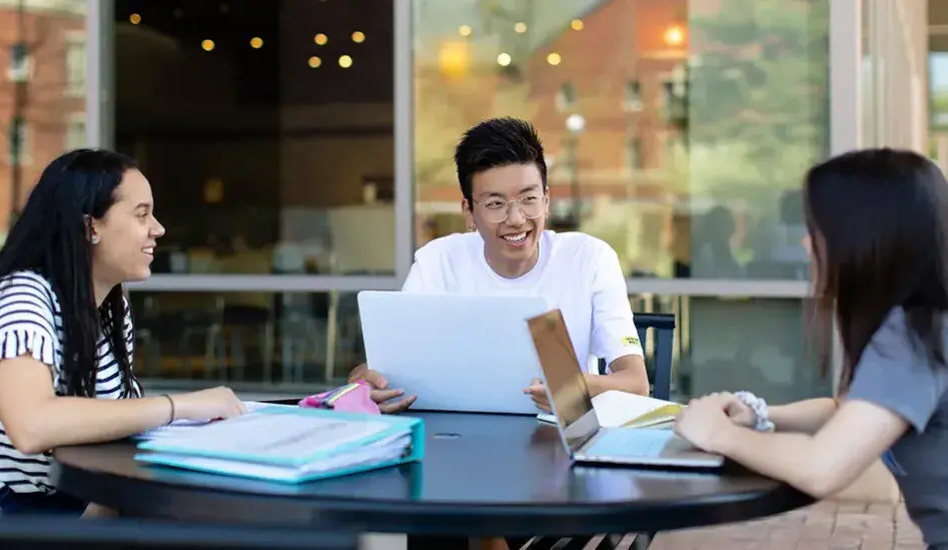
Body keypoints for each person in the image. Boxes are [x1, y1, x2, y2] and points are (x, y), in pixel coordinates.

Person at [673, 148, 948, 549]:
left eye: (817, 229)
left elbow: (822, 468)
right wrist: (761, 415)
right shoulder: (926, 324)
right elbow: (849, 410)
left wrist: (718, 434)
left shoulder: (912, 336)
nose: (806, 245)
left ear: (863, 236)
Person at [0, 149, 246, 516]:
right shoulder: (21, 298)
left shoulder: (109, 305)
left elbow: (109, 424)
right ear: (90, 227)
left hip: (63, 498)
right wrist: (179, 406)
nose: (158, 229)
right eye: (142, 214)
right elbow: (31, 425)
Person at [350, 117, 649, 413]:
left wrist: (575, 387)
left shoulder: (589, 259)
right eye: (495, 204)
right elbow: (392, 366)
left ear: (546, 200)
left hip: (554, 439)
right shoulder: (437, 261)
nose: (516, 219)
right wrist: (365, 382)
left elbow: (636, 383)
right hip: (452, 436)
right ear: (469, 211)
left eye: (529, 198)